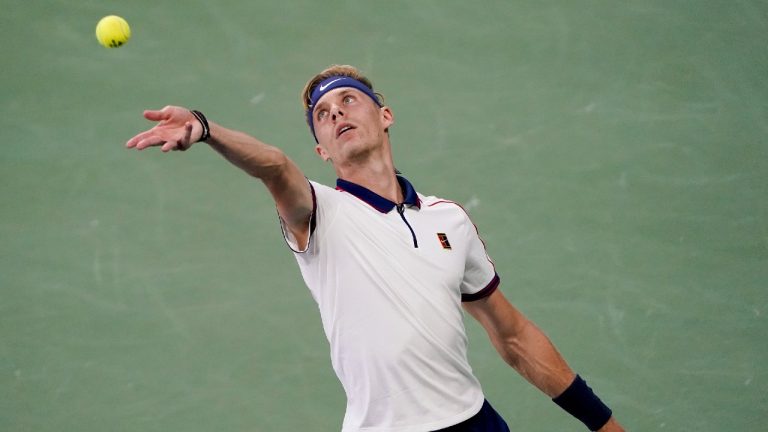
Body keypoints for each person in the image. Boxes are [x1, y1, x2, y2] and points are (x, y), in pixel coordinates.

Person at [126, 65, 625, 432]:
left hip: (476, 423)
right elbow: (275, 167)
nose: (336, 112)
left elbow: (512, 335)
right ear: (321, 150)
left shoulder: (448, 219)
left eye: (348, 100)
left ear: (384, 115)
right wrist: (207, 130)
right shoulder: (317, 215)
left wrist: (601, 423)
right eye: (322, 114)